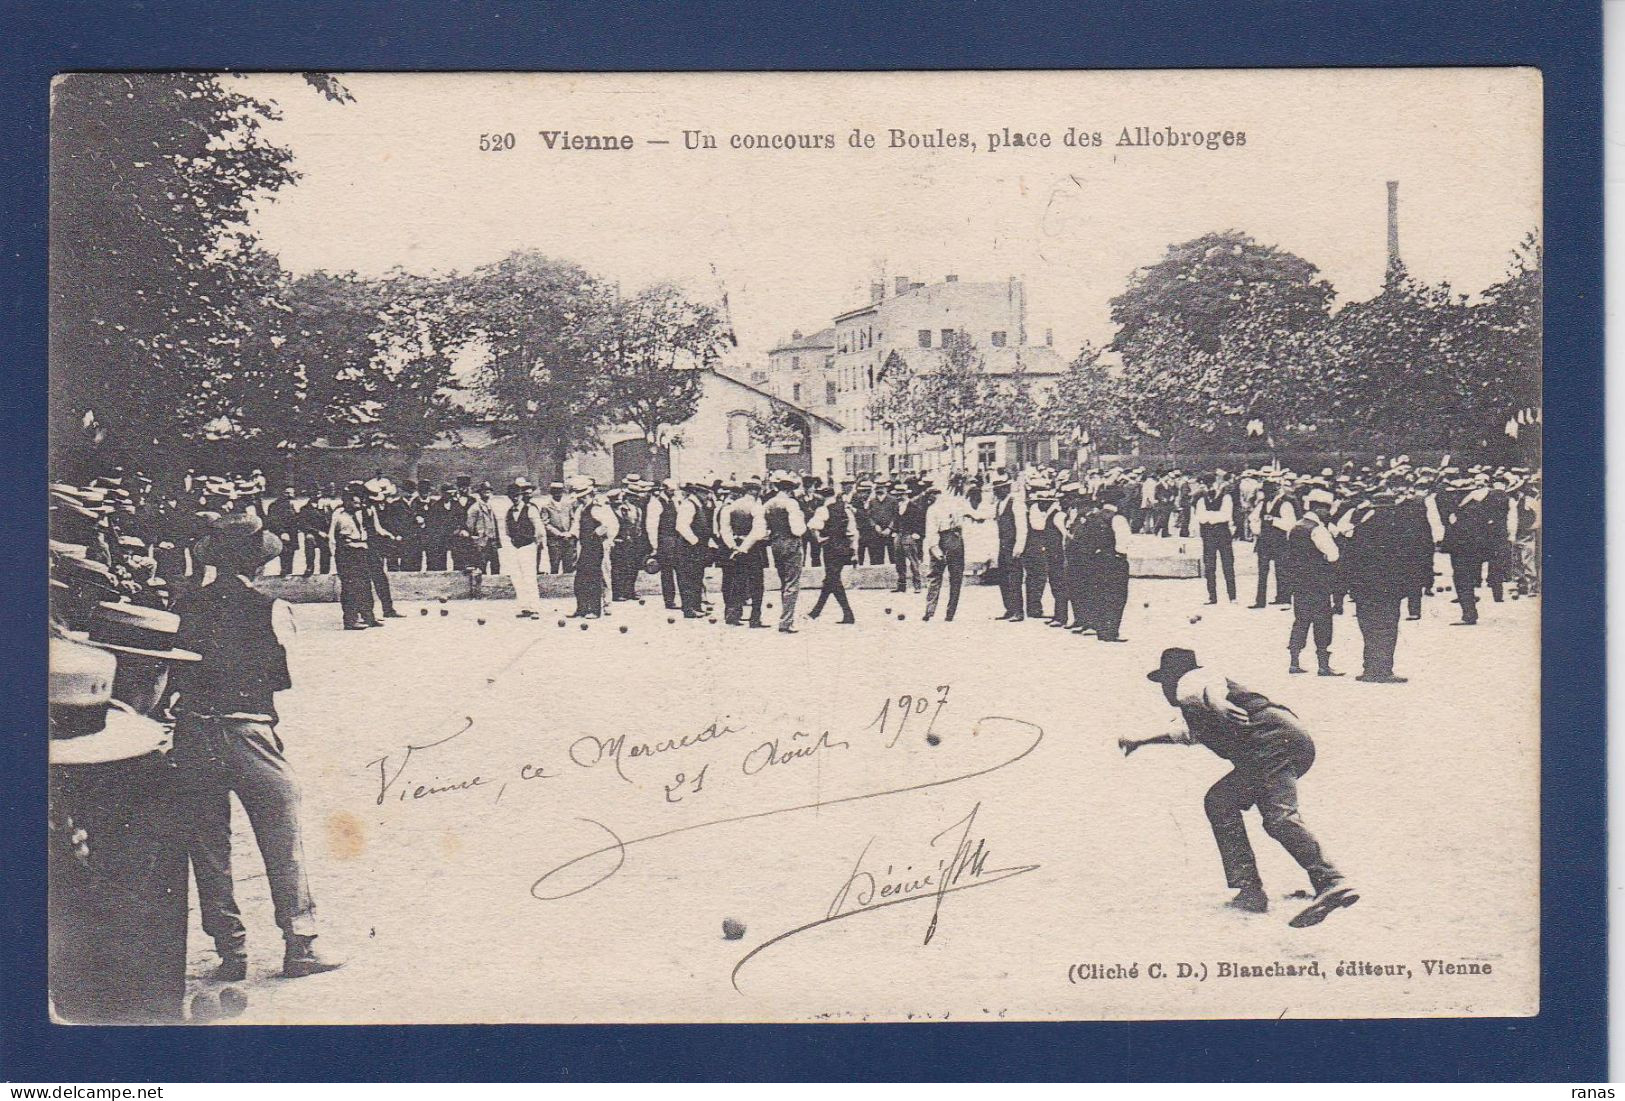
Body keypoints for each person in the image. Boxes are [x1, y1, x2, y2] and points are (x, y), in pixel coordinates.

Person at [172, 513, 343, 979]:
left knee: (208, 846)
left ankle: (231, 952)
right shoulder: (271, 607)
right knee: (281, 837)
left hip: (192, 730)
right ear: (260, 562)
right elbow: (279, 678)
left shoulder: (188, 604)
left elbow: (174, 669)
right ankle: (300, 945)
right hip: (248, 730)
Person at [1122, 647, 1357, 928]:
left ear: (1174, 678)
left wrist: (1220, 704)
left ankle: (1330, 880)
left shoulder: (1192, 682)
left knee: (1279, 818)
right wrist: (1141, 742)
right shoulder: (1195, 709)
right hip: (1279, 745)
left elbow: (1209, 688)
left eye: (1165, 682)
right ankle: (1249, 889)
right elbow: (1184, 734)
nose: (1164, 690)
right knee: (1220, 802)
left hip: (1270, 743)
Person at [1344, 488, 1409, 683]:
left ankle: (1369, 668)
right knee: (1387, 628)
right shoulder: (1397, 529)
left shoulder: (1361, 528)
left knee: (1368, 627)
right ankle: (1384, 670)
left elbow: (1350, 559)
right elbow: (1405, 560)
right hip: (1389, 589)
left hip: (1364, 589)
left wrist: (1352, 587)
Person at [1285, 488, 1343, 677]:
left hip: (1299, 582)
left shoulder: (1295, 527)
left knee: (1301, 620)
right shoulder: (1318, 529)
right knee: (1322, 621)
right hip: (1318, 582)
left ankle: (1294, 660)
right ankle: (1323, 665)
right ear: (1320, 509)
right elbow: (1333, 555)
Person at [923, 476, 979, 623]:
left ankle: (931, 610)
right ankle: (948, 613)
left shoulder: (934, 508)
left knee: (936, 576)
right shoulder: (958, 503)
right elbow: (976, 515)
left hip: (945, 539)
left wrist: (936, 550)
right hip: (954, 539)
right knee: (955, 578)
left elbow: (931, 532)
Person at [329, 484, 381, 630]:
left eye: (359, 502)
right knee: (350, 587)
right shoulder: (338, 515)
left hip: (361, 551)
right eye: (355, 502)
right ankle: (350, 620)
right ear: (347, 502)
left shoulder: (361, 512)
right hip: (346, 553)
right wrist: (336, 555)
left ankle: (368, 616)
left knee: (365, 585)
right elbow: (332, 537)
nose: (358, 505)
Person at [718, 478, 769, 627]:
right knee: (757, 585)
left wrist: (734, 547)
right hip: (753, 549)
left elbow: (725, 530)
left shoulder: (731, 506)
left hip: (735, 547)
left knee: (738, 582)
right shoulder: (756, 507)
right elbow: (758, 531)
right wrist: (744, 548)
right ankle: (754, 619)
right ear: (755, 491)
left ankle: (733, 615)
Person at [762, 472, 808, 633]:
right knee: (792, 583)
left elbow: (763, 528)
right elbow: (798, 529)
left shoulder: (768, 504)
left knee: (784, 582)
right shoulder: (791, 504)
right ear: (790, 490)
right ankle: (786, 621)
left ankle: (785, 617)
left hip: (775, 544)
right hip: (791, 544)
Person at [807, 482, 857, 623]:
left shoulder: (823, 510)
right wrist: (854, 551)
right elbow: (852, 532)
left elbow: (812, 525)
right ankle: (816, 612)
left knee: (832, 580)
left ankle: (847, 614)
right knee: (831, 579)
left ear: (821, 496)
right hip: (844, 548)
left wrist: (820, 538)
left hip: (830, 548)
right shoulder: (845, 510)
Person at [570, 475, 618, 619]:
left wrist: (602, 533)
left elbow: (611, 524)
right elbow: (576, 526)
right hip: (584, 546)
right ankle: (581, 607)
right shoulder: (580, 509)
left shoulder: (599, 507)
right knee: (580, 578)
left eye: (584, 496)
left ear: (590, 494)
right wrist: (571, 535)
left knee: (594, 577)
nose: (581, 498)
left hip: (597, 546)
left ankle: (595, 609)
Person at [500, 478, 545, 619]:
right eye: (512, 496)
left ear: (521, 495)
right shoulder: (508, 512)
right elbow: (507, 532)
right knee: (517, 578)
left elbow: (539, 530)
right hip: (515, 547)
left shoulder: (530, 509)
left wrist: (536, 545)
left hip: (528, 546)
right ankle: (524, 607)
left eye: (517, 496)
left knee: (529, 577)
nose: (515, 498)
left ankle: (535, 607)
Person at [1250, 475, 1296, 608]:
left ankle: (1284, 598)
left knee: (1282, 570)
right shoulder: (1263, 503)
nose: (1266, 494)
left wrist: (1273, 520)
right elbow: (1253, 517)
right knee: (1262, 571)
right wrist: (1257, 529)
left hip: (1280, 541)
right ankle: (1260, 600)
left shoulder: (1285, 503)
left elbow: (1290, 524)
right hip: (1264, 541)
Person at [1196, 473, 1237, 604]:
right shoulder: (1202, 499)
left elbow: (1225, 516)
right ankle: (1212, 596)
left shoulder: (1226, 498)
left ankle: (1232, 596)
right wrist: (1214, 516)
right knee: (1209, 566)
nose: (1210, 488)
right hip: (1208, 535)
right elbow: (1200, 517)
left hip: (1223, 534)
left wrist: (1209, 517)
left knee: (1228, 565)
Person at [674, 478, 711, 619]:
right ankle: (689, 608)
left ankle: (696, 606)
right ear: (697, 492)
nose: (707, 496)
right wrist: (695, 542)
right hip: (688, 548)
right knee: (688, 578)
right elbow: (681, 526)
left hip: (697, 548)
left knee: (697, 577)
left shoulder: (698, 504)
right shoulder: (688, 505)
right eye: (705, 493)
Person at [992, 473, 1027, 621]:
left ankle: (1018, 611)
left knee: (1014, 578)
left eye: (998, 489)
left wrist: (1019, 546)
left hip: (1013, 544)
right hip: (1003, 544)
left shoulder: (1016, 503)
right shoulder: (999, 504)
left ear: (1006, 489)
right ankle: (1009, 608)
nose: (995, 492)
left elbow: (1021, 526)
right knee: (1003, 577)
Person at [645, 479, 682, 610]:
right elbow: (652, 526)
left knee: (680, 569)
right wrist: (654, 545)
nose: (673, 493)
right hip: (664, 540)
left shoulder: (675, 501)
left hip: (676, 539)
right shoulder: (655, 503)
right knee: (667, 571)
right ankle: (669, 600)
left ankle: (684, 599)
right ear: (664, 489)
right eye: (671, 490)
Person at [894, 480, 926, 593]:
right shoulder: (897, 506)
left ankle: (917, 585)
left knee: (913, 561)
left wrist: (917, 533)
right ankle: (901, 585)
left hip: (909, 536)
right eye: (897, 495)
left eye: (901, 494)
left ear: (906, 494)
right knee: (899, 562)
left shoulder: (913, 507)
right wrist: (895, 531)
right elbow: (896, 521)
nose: (899, 497)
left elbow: (920, 521)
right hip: (899, 535)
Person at [264, 485, 302, 577]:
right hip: (282, 533)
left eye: (292, 493)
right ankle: (284, 572)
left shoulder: (291, 504)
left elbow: (294, 518)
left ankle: (289, 572)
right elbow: (273, 521)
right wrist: (282, 532)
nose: (290, 495)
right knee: (284, 552)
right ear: (282, 493)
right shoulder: (274, 505)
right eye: (287, 493)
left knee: (291, 552)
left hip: (292, 533)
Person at [541, 481, 578, 574]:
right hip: (555, 541)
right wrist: (558, 534)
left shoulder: (568, 505)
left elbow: (573, 520)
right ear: (551, 492)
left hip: (568, 540)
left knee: (569, 567)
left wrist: (570, 533)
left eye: (560, 491)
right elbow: (545, 523)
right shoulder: (546, 506)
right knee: (554, 566)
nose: (558, 494)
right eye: (555, 491)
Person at [466, 482, 502, 574]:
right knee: (481, 567)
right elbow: (470, 527)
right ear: (480, 493)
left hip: (492, 542)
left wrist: (497, 541)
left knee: (496, 566)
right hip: (481, 544)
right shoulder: (475, 508)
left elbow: (494, 524)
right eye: (484, 491)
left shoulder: (490, 506)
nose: (487, 493)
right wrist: (476, 541)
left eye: (488, 491)